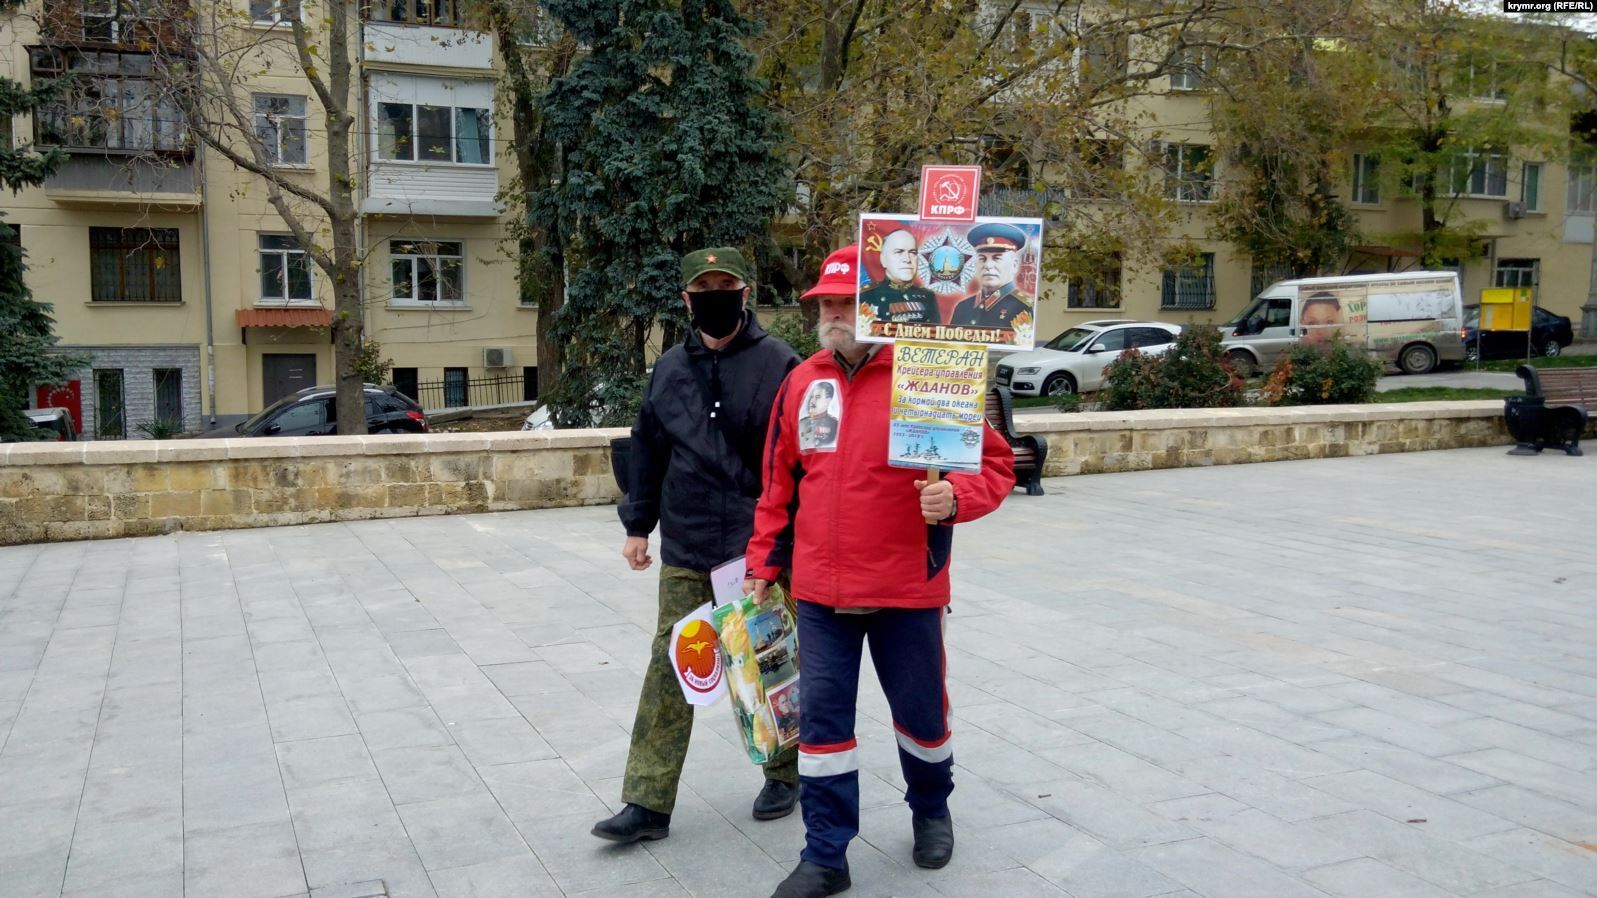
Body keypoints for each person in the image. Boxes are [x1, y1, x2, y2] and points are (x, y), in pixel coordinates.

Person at [745, 245, 1017, 898]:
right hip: (819, 591)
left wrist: (955, 497)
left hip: (906, 588)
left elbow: (995, 467)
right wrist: (761, 563)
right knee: (823, 730)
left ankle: (930, 811)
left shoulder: (930, 375)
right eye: (825, 304)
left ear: (876, 308)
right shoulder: (803, 381)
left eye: (846, 302)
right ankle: (825, 855)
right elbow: (777, 483)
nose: (834, 314)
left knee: (922, 716)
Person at [594, 247, 802, 844]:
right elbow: (648, 448)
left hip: (753, 547)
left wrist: (783, 545)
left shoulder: (781, 364)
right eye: (702, 287)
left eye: (725, 284)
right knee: (671, 665)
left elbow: (794, 463)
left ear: (746, 293)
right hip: (686, 542)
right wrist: (638, 526)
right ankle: (647, 802)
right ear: (686, 299)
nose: (714, 294)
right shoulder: (668, 369)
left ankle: (785, 774)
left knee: (766, 665)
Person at [947, 222, 1033, 329]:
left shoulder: (1023, 308)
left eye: (997, 258)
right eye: (982, 259)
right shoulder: (963, 307)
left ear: (1014, 265)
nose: (988, 265)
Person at [860, 228, 940, 324]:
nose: (907, 259)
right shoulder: (867, 295)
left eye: (912, 252)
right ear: (883, 259)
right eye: (899, 252)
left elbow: (933, 335)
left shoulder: (927, 296)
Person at [797, 380, 839, 451]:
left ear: (828, 400)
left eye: (817, 397)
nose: (812, 401)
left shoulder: (835, 424)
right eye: (812, 397)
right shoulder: (801, 423)